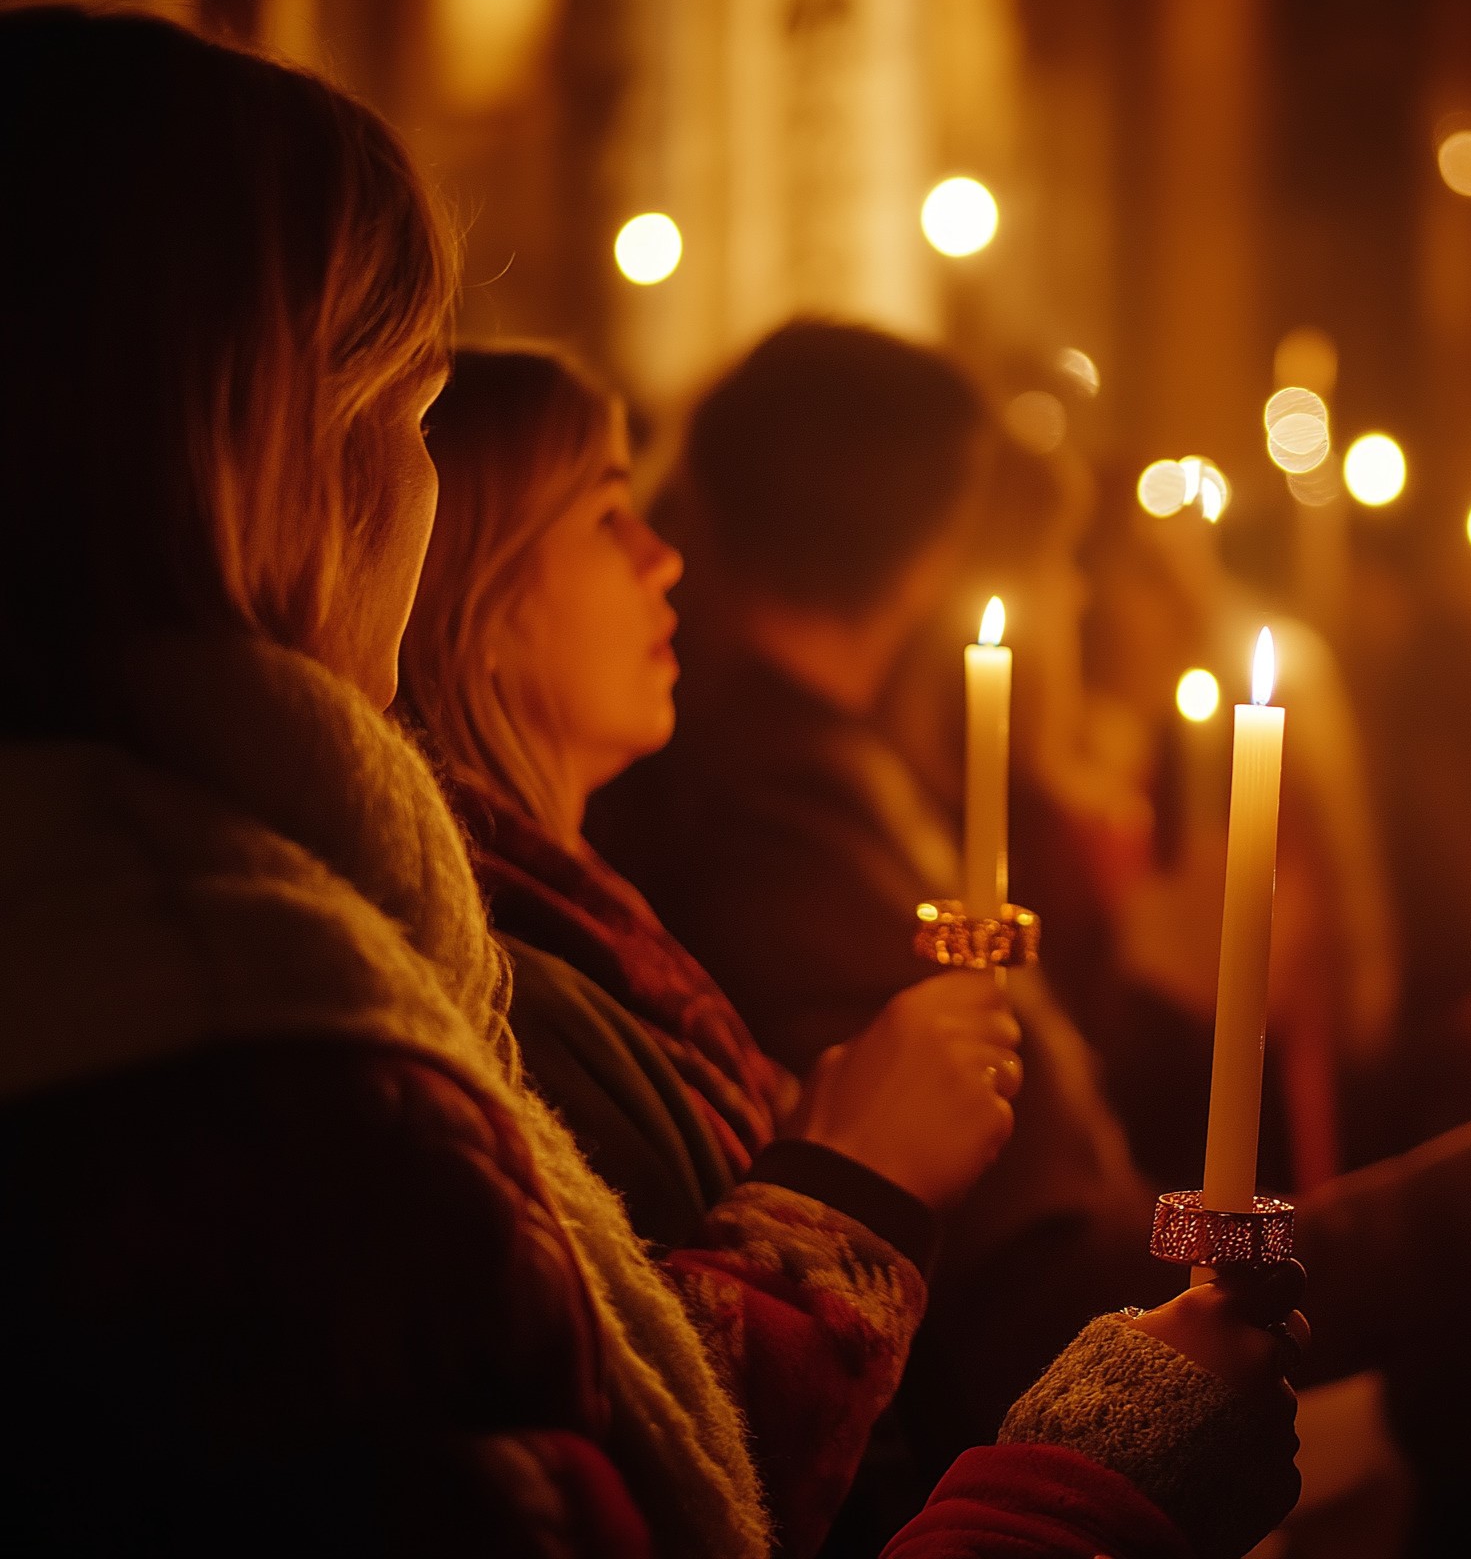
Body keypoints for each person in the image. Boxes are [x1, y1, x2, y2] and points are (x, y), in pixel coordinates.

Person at [0, 6, 1305, 1559]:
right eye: (413, 412)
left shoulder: (321, 976)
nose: (666, 554)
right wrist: (1103, 1469)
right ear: (267, 465)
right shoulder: (264, 1078)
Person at [602, 320, 1471, 1540]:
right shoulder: (788, 835)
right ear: (930, 556)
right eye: (1063, 563)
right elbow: (1050, 1274)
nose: (1079, 598)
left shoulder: (855, 799)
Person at [399, 344, 1025, 1553]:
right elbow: (646, 1450)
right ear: (475, 587)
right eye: (606, 515)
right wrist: (851, 1178)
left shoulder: (598, 925)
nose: (665, 555)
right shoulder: (502, 988)